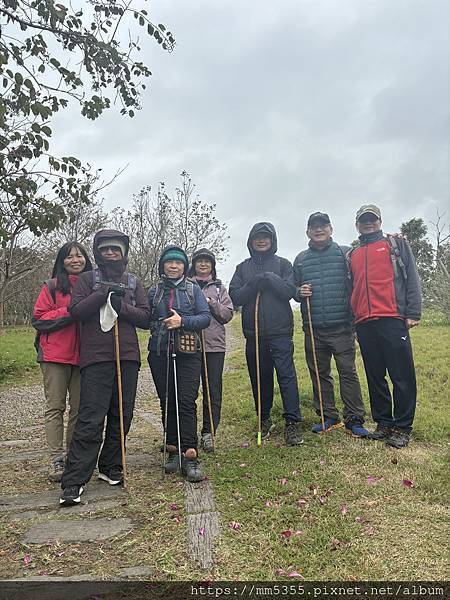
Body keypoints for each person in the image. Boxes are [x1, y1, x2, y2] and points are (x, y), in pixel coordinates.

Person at [59, 230, 150, 506]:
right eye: (106, 249)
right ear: (98, 252)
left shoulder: (134, 282)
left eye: (116, 249)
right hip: (96, 357)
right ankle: (74, 480)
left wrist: (121, 306)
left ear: (124, 252)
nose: (111, 253)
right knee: (91, 417)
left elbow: (146, 318)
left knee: (122, 414)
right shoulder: (88, 280)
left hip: (128, 356)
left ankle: (111, 466)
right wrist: (101, 295)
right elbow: (76, 311)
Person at [348, 205, 421, 448]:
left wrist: (413, 312)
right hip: (365, 323)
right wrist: (354, 323)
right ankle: (383, 423)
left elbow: (412, 276)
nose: (368, 223)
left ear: (379, 221)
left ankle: (402, 427)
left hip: (393, 317)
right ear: (357, 224)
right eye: (363, 220)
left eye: (372, 219)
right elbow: (352, 289)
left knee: (401, 376)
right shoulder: (353, 255)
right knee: (375, 376)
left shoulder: (395, 245)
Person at [293, 213, 368, 438]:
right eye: (314, 226)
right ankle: (328, 417)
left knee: (348, 373)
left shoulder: (345, 253)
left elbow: (358, 281)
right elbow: (293, 288)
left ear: (331, 229)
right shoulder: (301, 259)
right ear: (307, 231)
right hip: (313, 329)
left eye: (323, 226)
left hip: (343, 326)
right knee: (319, 373)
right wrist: (298, 292)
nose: (319, 230)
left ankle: (354, 419)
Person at [229, 222, 302, 445]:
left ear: (272, 241)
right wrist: (253, 282)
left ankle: (293, 423)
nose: (261, 241)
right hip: (254, 334)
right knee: (260, 378)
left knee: (286, 376)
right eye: (257, 237)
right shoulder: (242, 268)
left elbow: (289, 291)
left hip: (280, 332)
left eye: (266, 237)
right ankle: (264, 418)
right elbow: (236, 297)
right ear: (251, 241)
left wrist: (270, 277)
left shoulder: (283, 264)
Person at [148, 245, 211, 482]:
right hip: (159, 352)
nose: (174, 266)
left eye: (179, 263)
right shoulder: (154, 291)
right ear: (162, 265)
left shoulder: (193, 289)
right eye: (169, 262)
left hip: (188, 352)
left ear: (185, 266)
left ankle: (190, 453)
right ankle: (173, 449)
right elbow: (145, 318)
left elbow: (205, 318)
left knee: (185, 401)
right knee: (167, 401)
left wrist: (182, 320)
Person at [32, 242, 92, 482]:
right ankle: (56, 457)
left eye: (80, 256)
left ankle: (73, 456)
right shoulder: (53, 286)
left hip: (84, 356)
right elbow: (39, 318)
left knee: (79, 409)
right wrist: (71, 310)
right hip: (55, 355)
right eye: (69, 257)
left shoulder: (91, 285)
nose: (75, 260)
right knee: (55, 407)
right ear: (61, 261)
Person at [188, 248, 233, 452]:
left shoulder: (219, 288)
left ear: (212, 266)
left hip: (214, 346)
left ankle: (208, 432)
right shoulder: (185, 285)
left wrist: (210, 303)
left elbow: (227, 314)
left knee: (212, 392)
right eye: (199, 261)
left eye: (207, 261)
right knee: (187, 392)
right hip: (187, 345)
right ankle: (184, 433)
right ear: (194, 264)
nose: (203, 264)